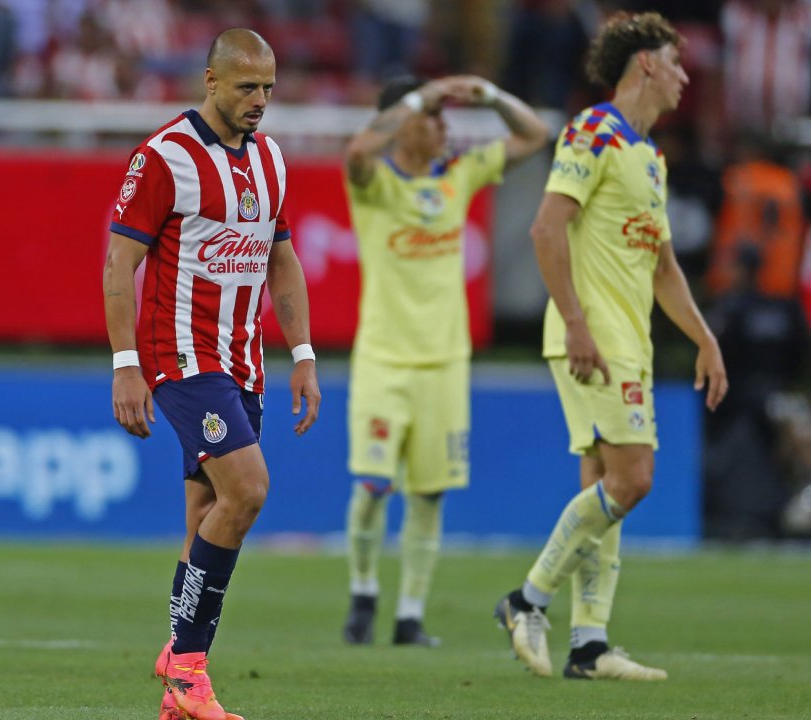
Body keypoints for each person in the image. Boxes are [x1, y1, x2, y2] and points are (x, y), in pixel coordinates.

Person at [493, 12, 727, 681]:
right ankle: (526, 600)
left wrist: (705, 339)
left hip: (630, 339)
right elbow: (545, 228)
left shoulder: (649, 156)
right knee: (635, 479)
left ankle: (588, 645)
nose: (686, 75)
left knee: (604, 486)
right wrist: (573, 322)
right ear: (646, 64)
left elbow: (662, 268)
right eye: (676, 62)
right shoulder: (593, 129)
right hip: (593, 334)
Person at [102, 28, 320, 720]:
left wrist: (304, 353)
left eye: (269, 89)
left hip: (242, 360)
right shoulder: (166, 156)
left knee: (207, 516)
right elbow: (118, 263)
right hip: (182, 357)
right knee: (248, 489)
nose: (260, 101)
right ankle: (189, 665)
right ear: (211, 81)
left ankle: (180, 689)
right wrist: (126, 365)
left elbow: (281, 261)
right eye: (248, 87)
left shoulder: (271, 161)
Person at [340, 74, 549, 647]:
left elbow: (535, 134)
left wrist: (489, 93)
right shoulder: (375, 182)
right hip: (384, 359)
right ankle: (363, 592)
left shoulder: (459, 173)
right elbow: (358, 149)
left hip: (445, 364)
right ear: (404, 122)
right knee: (373, 487)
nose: (444, 126)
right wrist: (414, 98)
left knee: (429, 493)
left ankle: (410, 616)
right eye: (434, 117)